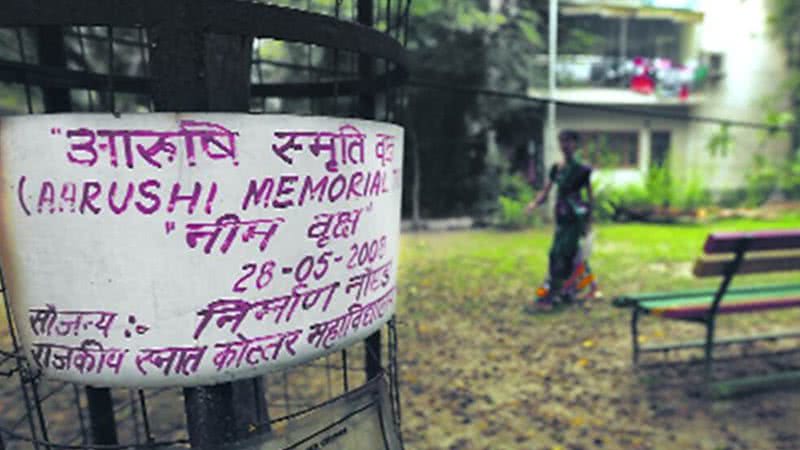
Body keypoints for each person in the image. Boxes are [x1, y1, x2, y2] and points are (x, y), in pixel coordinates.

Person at [526, 130, 595, 312]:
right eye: (562, 142)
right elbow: (546, 190)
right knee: (556, 254)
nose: (564, 146)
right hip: (561, 216)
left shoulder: (582, 169)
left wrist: (589, 221)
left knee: (563, 254)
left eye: (568, 142)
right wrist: (534, 204)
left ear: (575, 145)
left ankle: (558, 293)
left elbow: (589, 195)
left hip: (575, 217)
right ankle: (565, 290)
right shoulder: (557, 168)